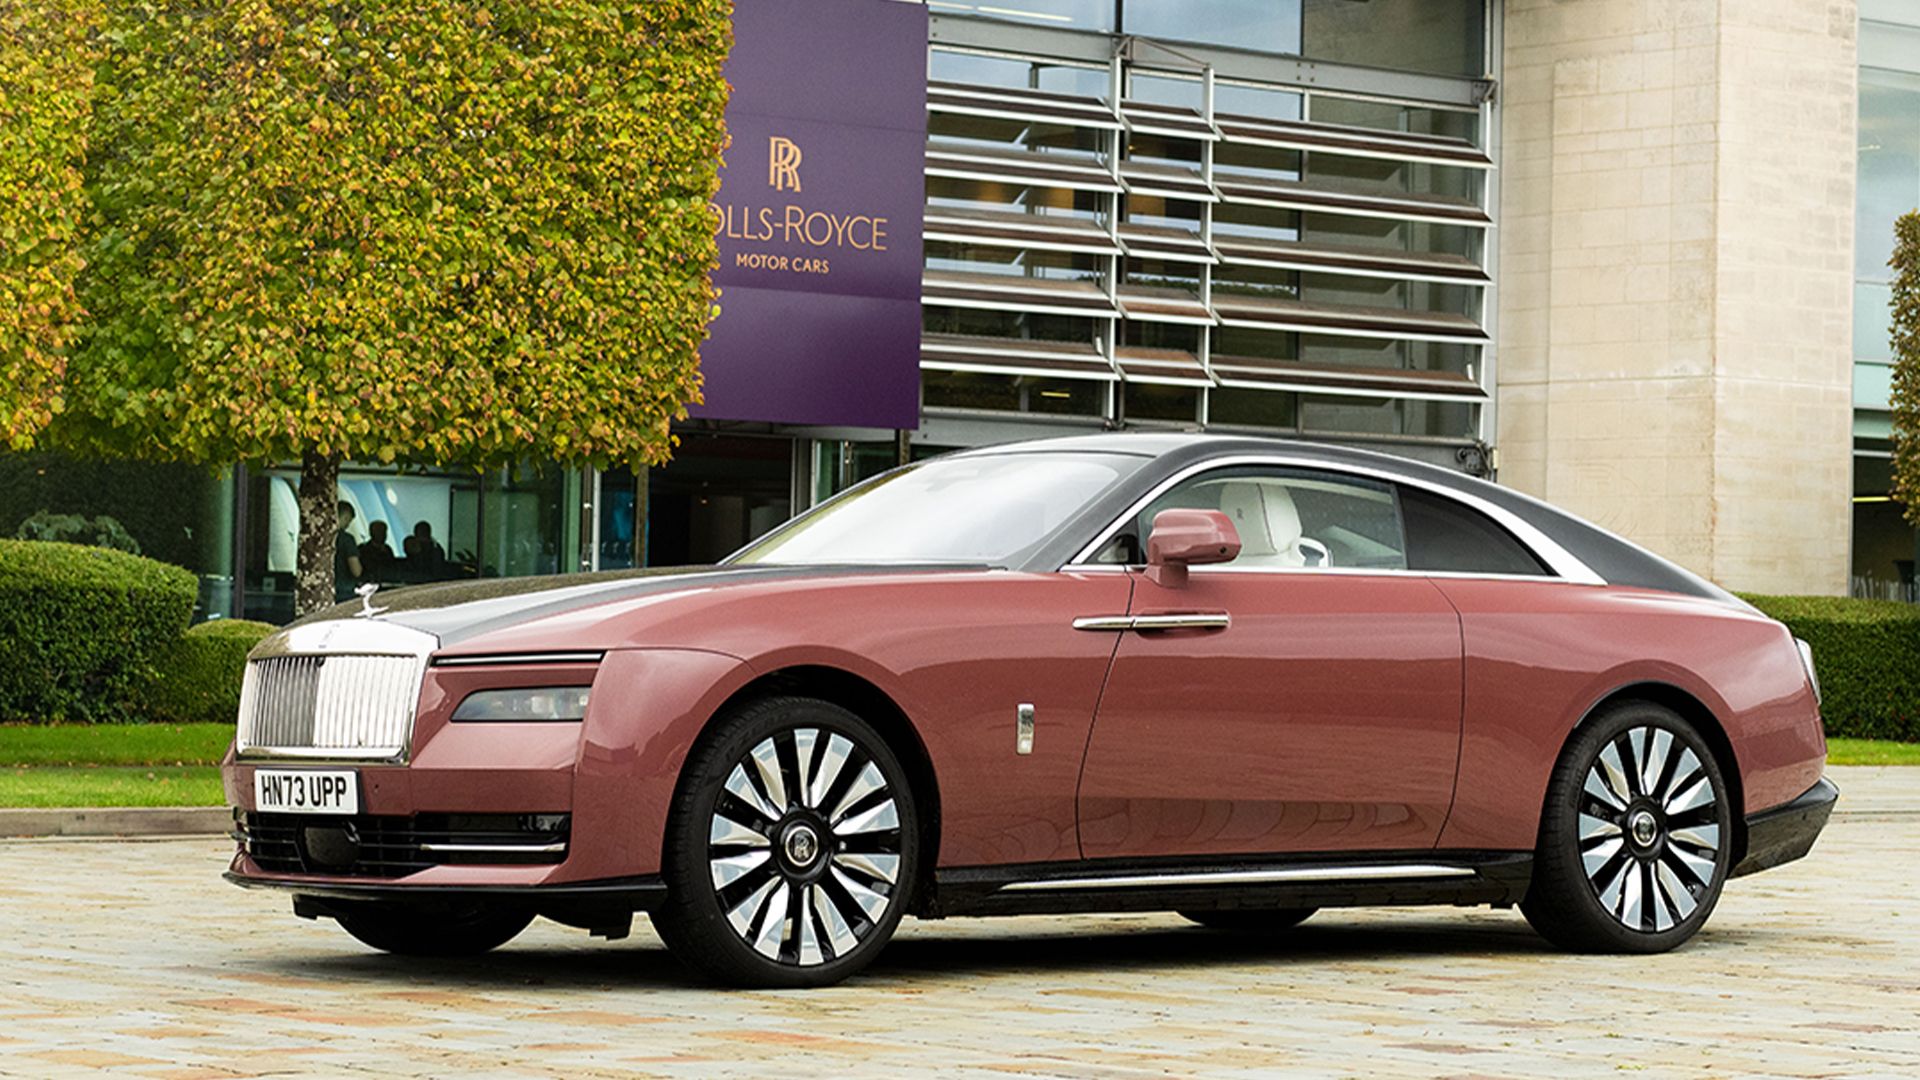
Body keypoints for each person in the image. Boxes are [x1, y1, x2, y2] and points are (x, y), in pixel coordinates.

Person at [334, 501, 362, 602]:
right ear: (345, 516)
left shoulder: (321, 538)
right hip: (345, 592)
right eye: (348, 520)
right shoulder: (347, 540)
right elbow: (356, 571)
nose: (348, 525)